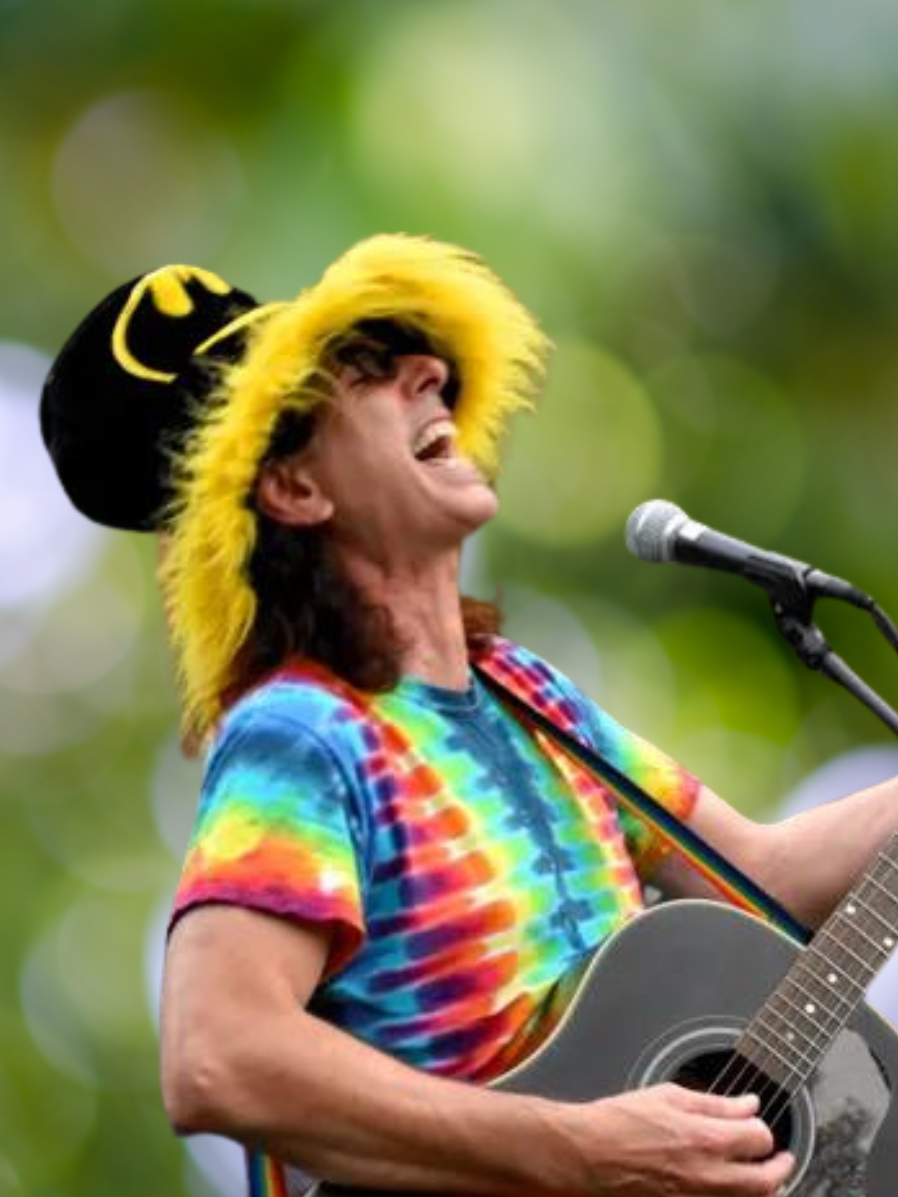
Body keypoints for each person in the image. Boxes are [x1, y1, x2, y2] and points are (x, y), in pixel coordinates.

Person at [40, 234, 898, 1197]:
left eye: (416, 357)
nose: (430, 369)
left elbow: (764, 878)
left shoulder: (531, 698)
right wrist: (587, 1150)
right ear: (293, 488)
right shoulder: (302, 732)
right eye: (362, 372)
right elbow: (217, 1056)